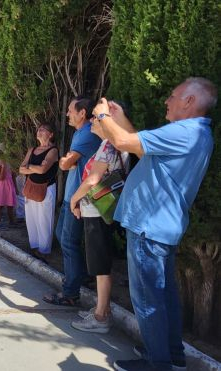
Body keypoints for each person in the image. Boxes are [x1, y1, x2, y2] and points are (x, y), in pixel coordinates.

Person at [95, 78, 217, 371]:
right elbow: (140, 147)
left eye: (173, 96)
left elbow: (123, 142)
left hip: (149, 227)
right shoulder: (195, 134)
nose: (167, 101)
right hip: (159, 227)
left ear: (189, 101)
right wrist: (119, 117)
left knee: (148, 298)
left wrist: (101, 115)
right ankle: (171, 356)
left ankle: (156, 362)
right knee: (164, 296)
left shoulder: (185, 132)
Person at [69, 105, 134, 334]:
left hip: (98, 211)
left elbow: (92, 179)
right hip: (98, 210)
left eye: (96, 119)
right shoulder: (110, 145)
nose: (92, 122)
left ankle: (100, 317)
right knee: (99, 263)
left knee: (100, 265)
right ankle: (101, 310)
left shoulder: (109, 145)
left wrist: (73, 201)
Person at [43, 96, 101, 306]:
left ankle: (70, 292)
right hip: (71, 196)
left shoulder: (86, 134)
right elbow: (67, 162)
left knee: (68, 241)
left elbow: (65, 164)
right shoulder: (81, 133)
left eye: (70, 110)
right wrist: (68, 161)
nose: (67, 114)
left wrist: (67, 161)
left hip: (78, 198)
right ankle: (80, 274)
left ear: (82, 113)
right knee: (62, 235)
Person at [19, 124, 59, 261]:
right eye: (38, 129)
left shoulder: (53, 151)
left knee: (44, 220)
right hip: (31, 187)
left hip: (46, 188)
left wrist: (29, 167)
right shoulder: (32, 149)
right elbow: (21, 169)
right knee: (31, 218)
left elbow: (43, 170)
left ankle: (44, 250)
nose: (39, 131)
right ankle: (34, 247)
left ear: (51, 134)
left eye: (43, 129)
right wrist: (34, 168)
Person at [0, 157, 17, 230]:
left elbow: (13, 177)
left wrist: (16, 188)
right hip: (0, 187)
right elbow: (1, 177)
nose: (4, 160)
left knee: (10, 205)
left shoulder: (10, 165)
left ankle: (12, 222)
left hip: (9, 186)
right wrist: (4, 166)